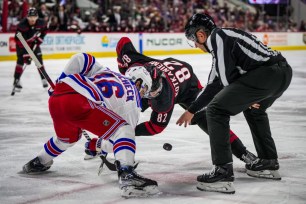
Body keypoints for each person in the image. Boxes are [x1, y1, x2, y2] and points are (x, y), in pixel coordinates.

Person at [177, 13, 292, 193]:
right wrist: (192, 110)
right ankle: (268, 162)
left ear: (200, 35)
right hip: (281, 73)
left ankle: (222, 171)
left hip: (267, 75)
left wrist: (248, 97)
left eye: (193, 40)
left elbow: (225, 81)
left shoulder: (218, 36)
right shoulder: (222, 43)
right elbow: (213, 84)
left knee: (215, 109)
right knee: (255, 111)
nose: (196, 46)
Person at [101, 37, 256, 165]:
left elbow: (156, 127)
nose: (157, 91)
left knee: (211, 123)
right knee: (123, 112)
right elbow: (123, 42)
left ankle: (243, 153)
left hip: (189, 90)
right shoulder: (136, 65)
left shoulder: (163, 97)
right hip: (164, 76)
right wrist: (124, 69)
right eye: (152, 91)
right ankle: (106, 141)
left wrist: (129, 133)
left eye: (156, 89)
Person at [22, 53, 159, 198]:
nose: (144, 94)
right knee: (124, 130)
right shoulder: (135, 101)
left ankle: (38, 162)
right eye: (145, 89)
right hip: (81, 102)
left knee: (67, 139)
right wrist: (97, 145)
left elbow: (81, 58)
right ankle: (128, 177)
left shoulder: (108, 72)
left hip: (58, 97)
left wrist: (61, 80)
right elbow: (118, 142)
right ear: (138, 83)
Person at [13, 7, 48, 92]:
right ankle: (16, 80)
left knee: (39, 61)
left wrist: (39, 41)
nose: (32, 19)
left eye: (34, 17)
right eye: (30, 17)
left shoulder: (42, 23)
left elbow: (44, 31)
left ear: (37, 17)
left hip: (34, 43)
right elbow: (20, 41)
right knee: (20, 62)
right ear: (27, 17)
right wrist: (27, 55)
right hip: (22, 45)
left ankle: (44, 79)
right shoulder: (22, 25)